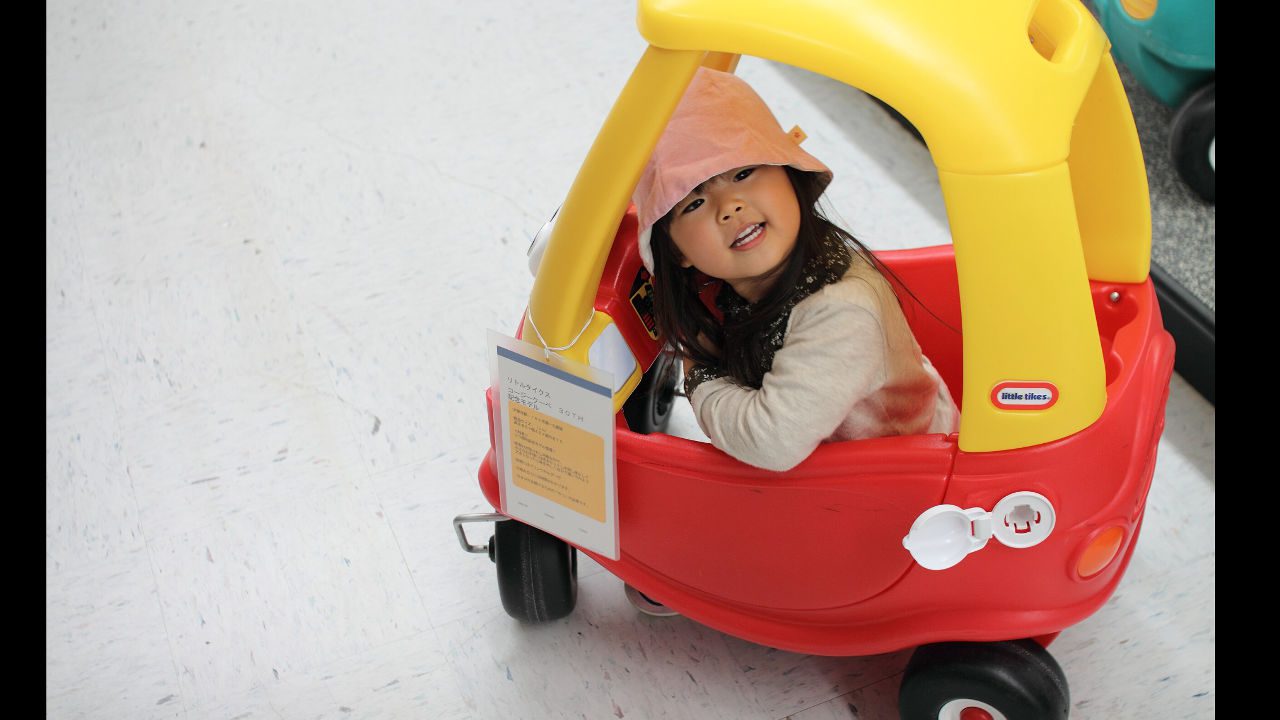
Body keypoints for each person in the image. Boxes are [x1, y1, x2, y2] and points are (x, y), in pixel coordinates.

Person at [632, 67, 960, 473]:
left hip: (902, 482)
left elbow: (770, 443)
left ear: (790, 174)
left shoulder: (843, 314)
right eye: (693, 203)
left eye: (743, 173)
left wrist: (700, 374)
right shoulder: (761, 275)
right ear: (678, 252)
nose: (729, 206)